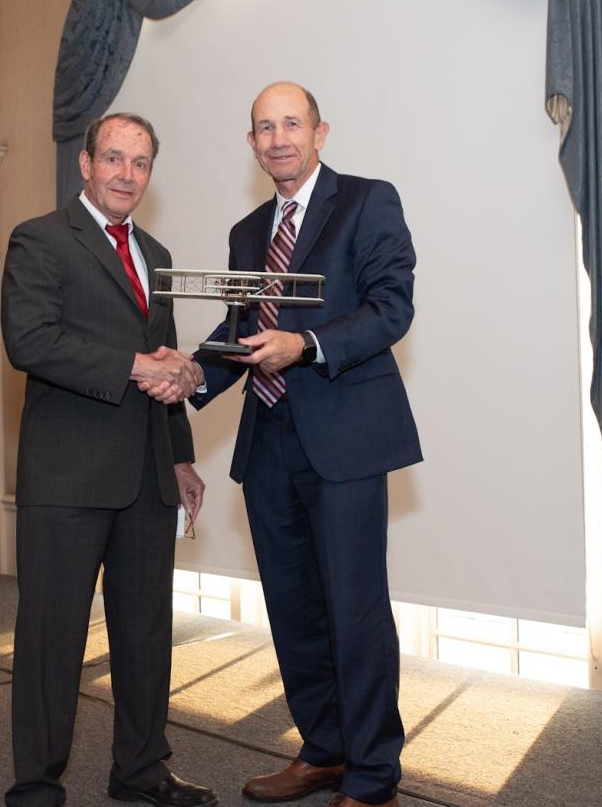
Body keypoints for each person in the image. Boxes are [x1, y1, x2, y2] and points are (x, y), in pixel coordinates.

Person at [188, 82, 422, 807]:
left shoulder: (367, 200)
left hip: (345, 441)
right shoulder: (247, 230)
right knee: (293, 609)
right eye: (264, 127)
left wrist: (309, 343)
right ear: (252, 144)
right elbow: (239, 337)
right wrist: (189, 372)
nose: (278, 137)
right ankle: (324, 749)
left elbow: (391, 306)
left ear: (321, 131)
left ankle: (375, 773)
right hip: (267, 445)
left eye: (292, 123)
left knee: (353, 609)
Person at [0, 112, 216, 807]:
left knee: (147, 636)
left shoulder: (157, 252)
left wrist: (181, 457)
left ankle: (141, 769)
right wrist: (130, 364)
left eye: (141, 162)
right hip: (67, 476)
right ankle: (36, 784)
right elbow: (29, 341)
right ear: (86, 163)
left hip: (149, 477)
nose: (127, 174)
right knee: (50, 639)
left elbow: (166, 363)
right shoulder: (39, 239)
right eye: (114, 159)